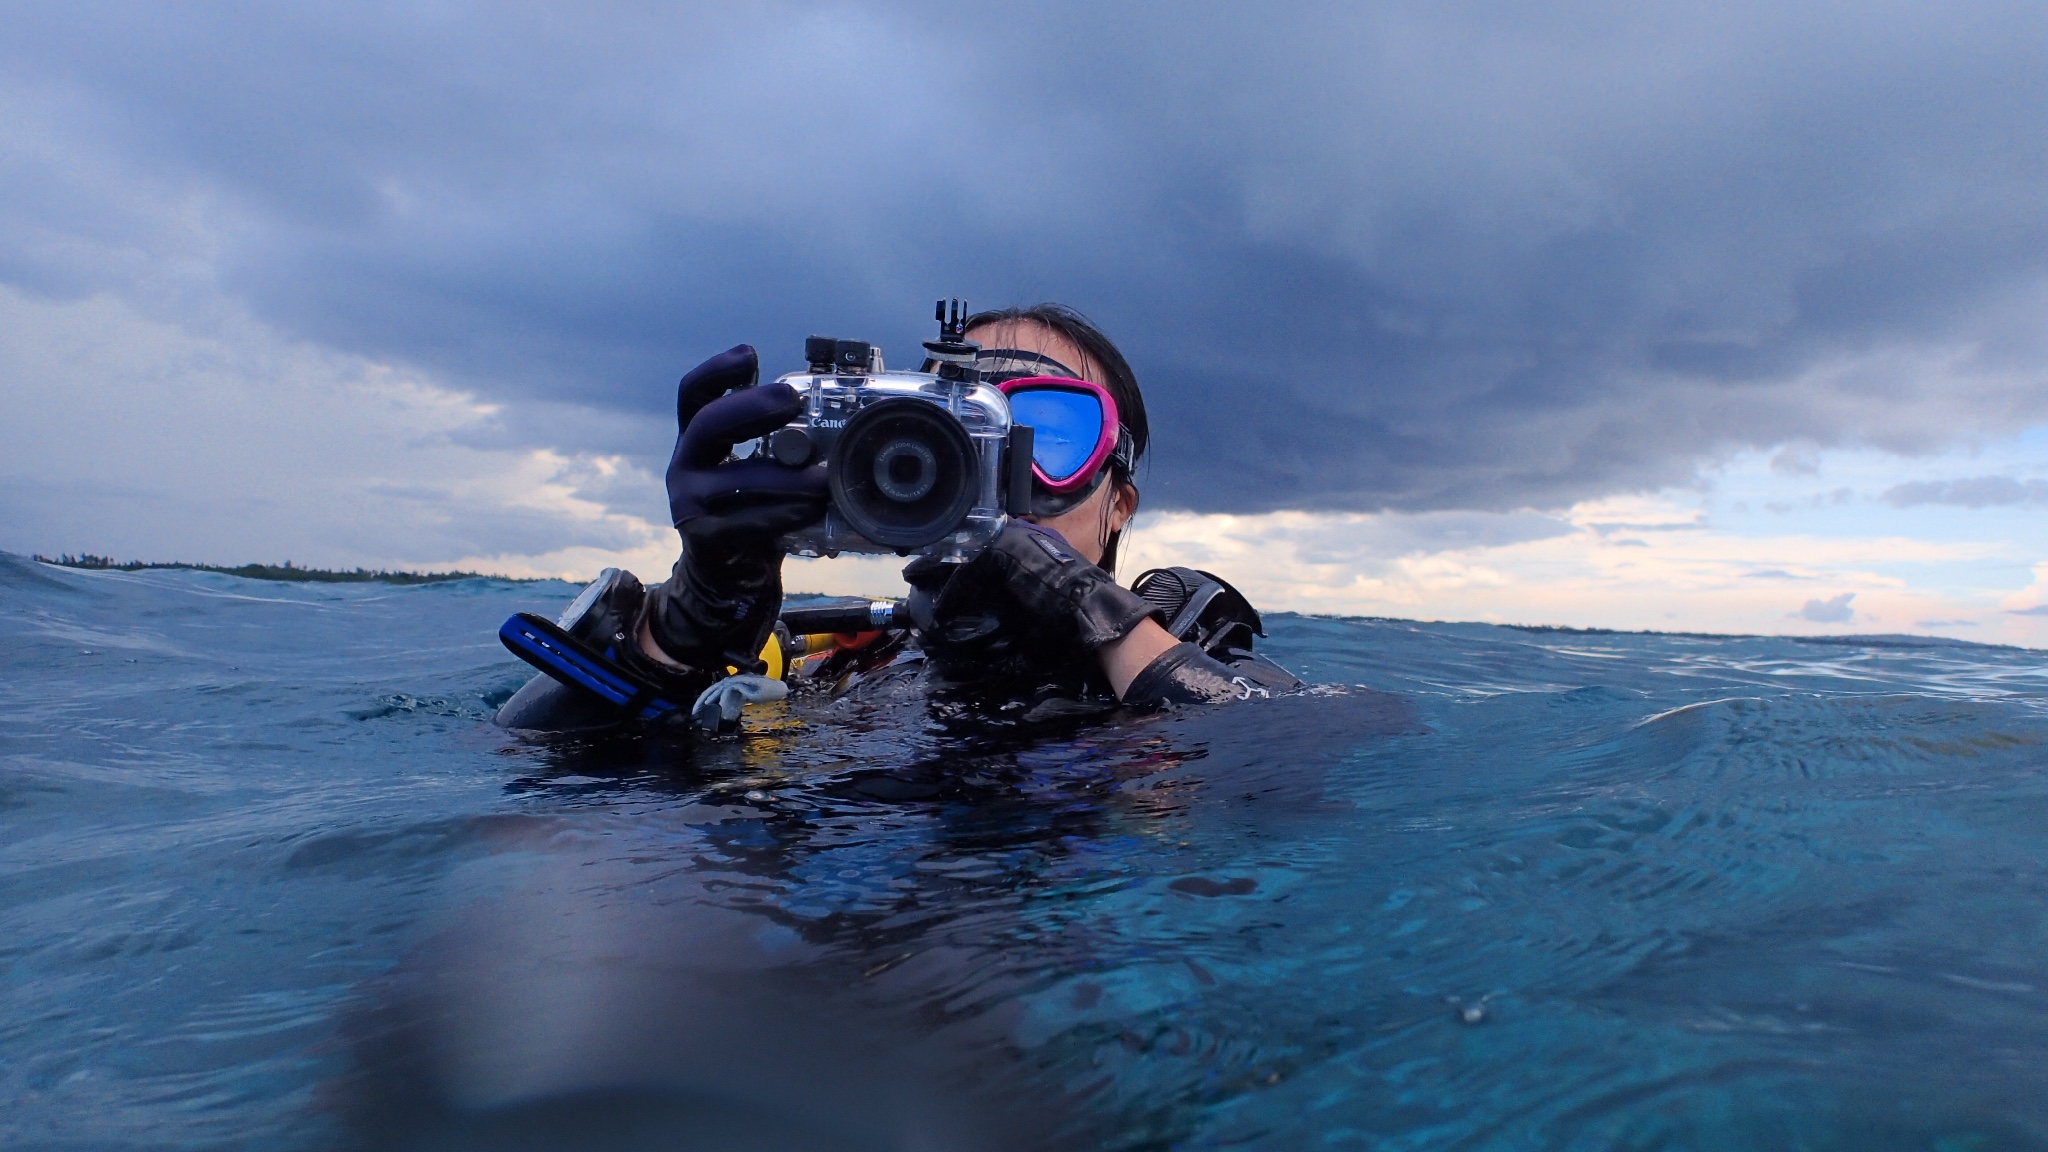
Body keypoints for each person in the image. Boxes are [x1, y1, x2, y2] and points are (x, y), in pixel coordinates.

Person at [498, 304, 1297, 731]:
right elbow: (537, 778)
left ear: (1119, 503)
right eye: (963, 437)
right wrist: (682, 629)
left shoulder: (1198, 650)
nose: (1010, 480)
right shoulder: (848, 662)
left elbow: (1289, 775)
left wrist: (1092, 615)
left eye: (1053, 435)